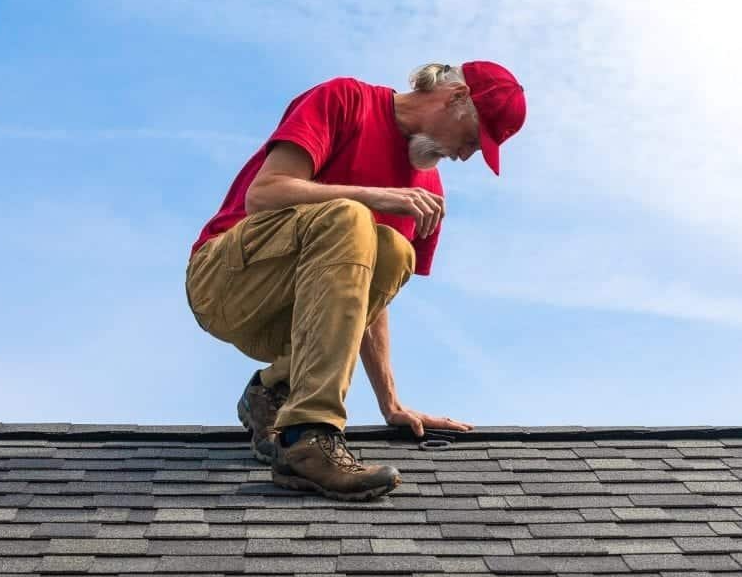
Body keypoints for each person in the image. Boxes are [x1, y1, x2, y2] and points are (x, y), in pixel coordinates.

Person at [184, 61, 526, 501]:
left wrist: (392, 404)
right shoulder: (346, 100)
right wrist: (369, 196)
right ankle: (309, 436)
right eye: (474, 140)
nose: (467, 155)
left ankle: (273, 389)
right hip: (226, 282)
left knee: (393, 250)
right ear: (458, 98)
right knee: (351, 218)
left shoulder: (428, 193)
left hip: (290, 321)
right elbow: (263, 194)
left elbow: (365, 296)